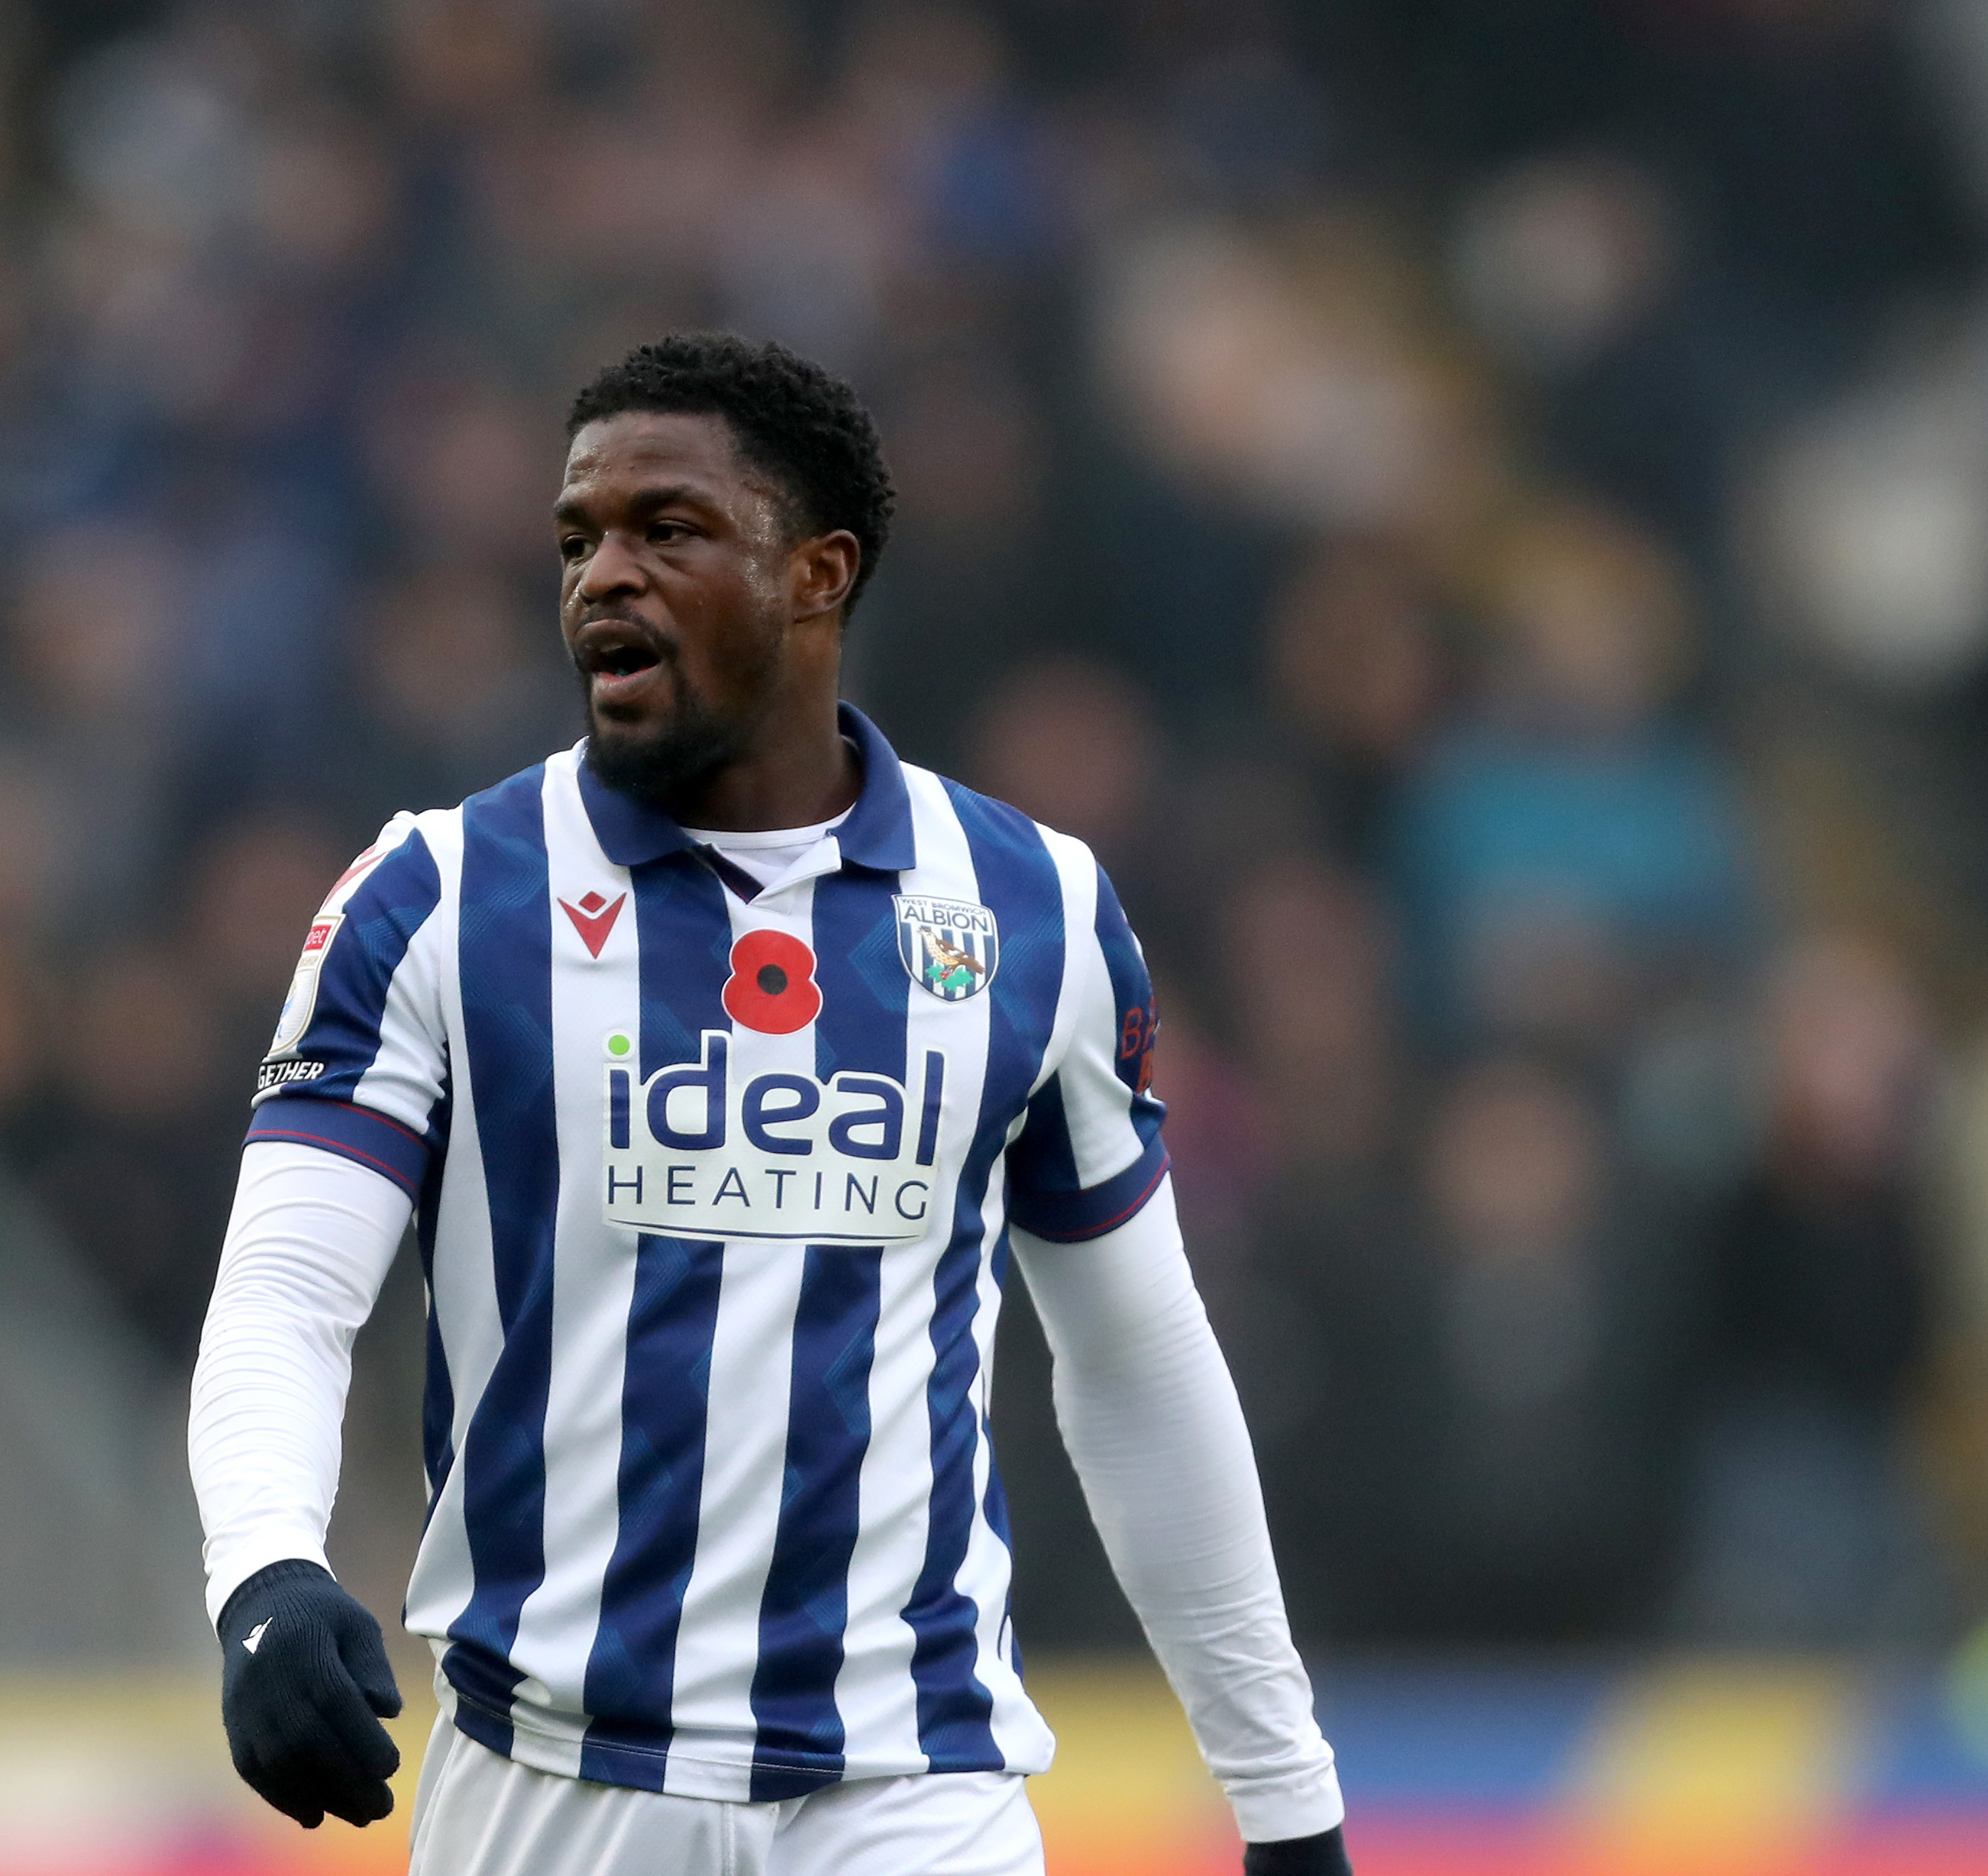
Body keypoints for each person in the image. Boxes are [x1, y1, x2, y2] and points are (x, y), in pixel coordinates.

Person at [189, 334, 1350, 1876]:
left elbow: (1135, 1354)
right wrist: (264, 1565)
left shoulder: (1035, 911)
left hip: (912, 1782)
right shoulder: (441, 896)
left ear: (819, 573)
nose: (606, 575)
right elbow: (285, 1285)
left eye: (667, 530)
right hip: (553, 1780)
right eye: (577, 537)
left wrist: (1284, 1795)